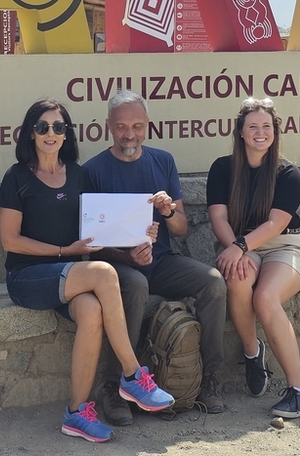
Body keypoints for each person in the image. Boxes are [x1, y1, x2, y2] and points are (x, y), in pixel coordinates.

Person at [0, 98, 174, 443]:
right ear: (30, 134)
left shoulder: (79, 175)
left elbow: (102, 225)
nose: (51, 133)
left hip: (70, 277)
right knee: (105, 274)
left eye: (58, 127)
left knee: (92, 311)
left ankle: (77, 413)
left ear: (67, 135)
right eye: (43, 127)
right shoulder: (16, 177)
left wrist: (142, 234)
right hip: (27, 277)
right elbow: (10, 241)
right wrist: (65, 251)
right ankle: (132, 374)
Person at [84, 90, 227, 424]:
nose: (129, 134)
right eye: (121, 127)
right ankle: (114, 386)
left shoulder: (163, 161)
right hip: (117, 266)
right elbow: (89, 242)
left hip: (162, 261)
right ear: (109, 127)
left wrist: (168, 209)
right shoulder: (92, 171)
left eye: (136, 125)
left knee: (214, 283)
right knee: (134, 286)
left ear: (147, 126)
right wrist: (126, 255)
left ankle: (208, 378)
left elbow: (180, 229)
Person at [206, 97, 300, 419]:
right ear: (240, 131)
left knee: (266, 298)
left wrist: (240, 247)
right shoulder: (222, 168)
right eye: (252, 126)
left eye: (266, 126)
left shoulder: (287, 173)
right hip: (240, 244)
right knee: (238, 281)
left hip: (285, 246)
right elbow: (219, 219)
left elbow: (276, 224)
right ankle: (253, 354)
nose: (260, 132)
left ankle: (299, 391)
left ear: (275, 131)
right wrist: (238, 248)